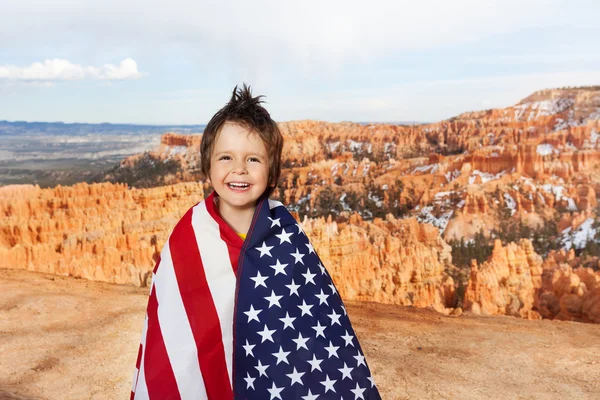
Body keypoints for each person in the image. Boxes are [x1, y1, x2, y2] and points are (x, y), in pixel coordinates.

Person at [131, 84, 381, 399]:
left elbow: (317, 327)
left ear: (272, 173)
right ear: (207, 168)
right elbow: (171, 333)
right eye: (225, 157)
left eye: (253, 160)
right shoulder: (188, 238)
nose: (239, 169)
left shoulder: (287, 238)